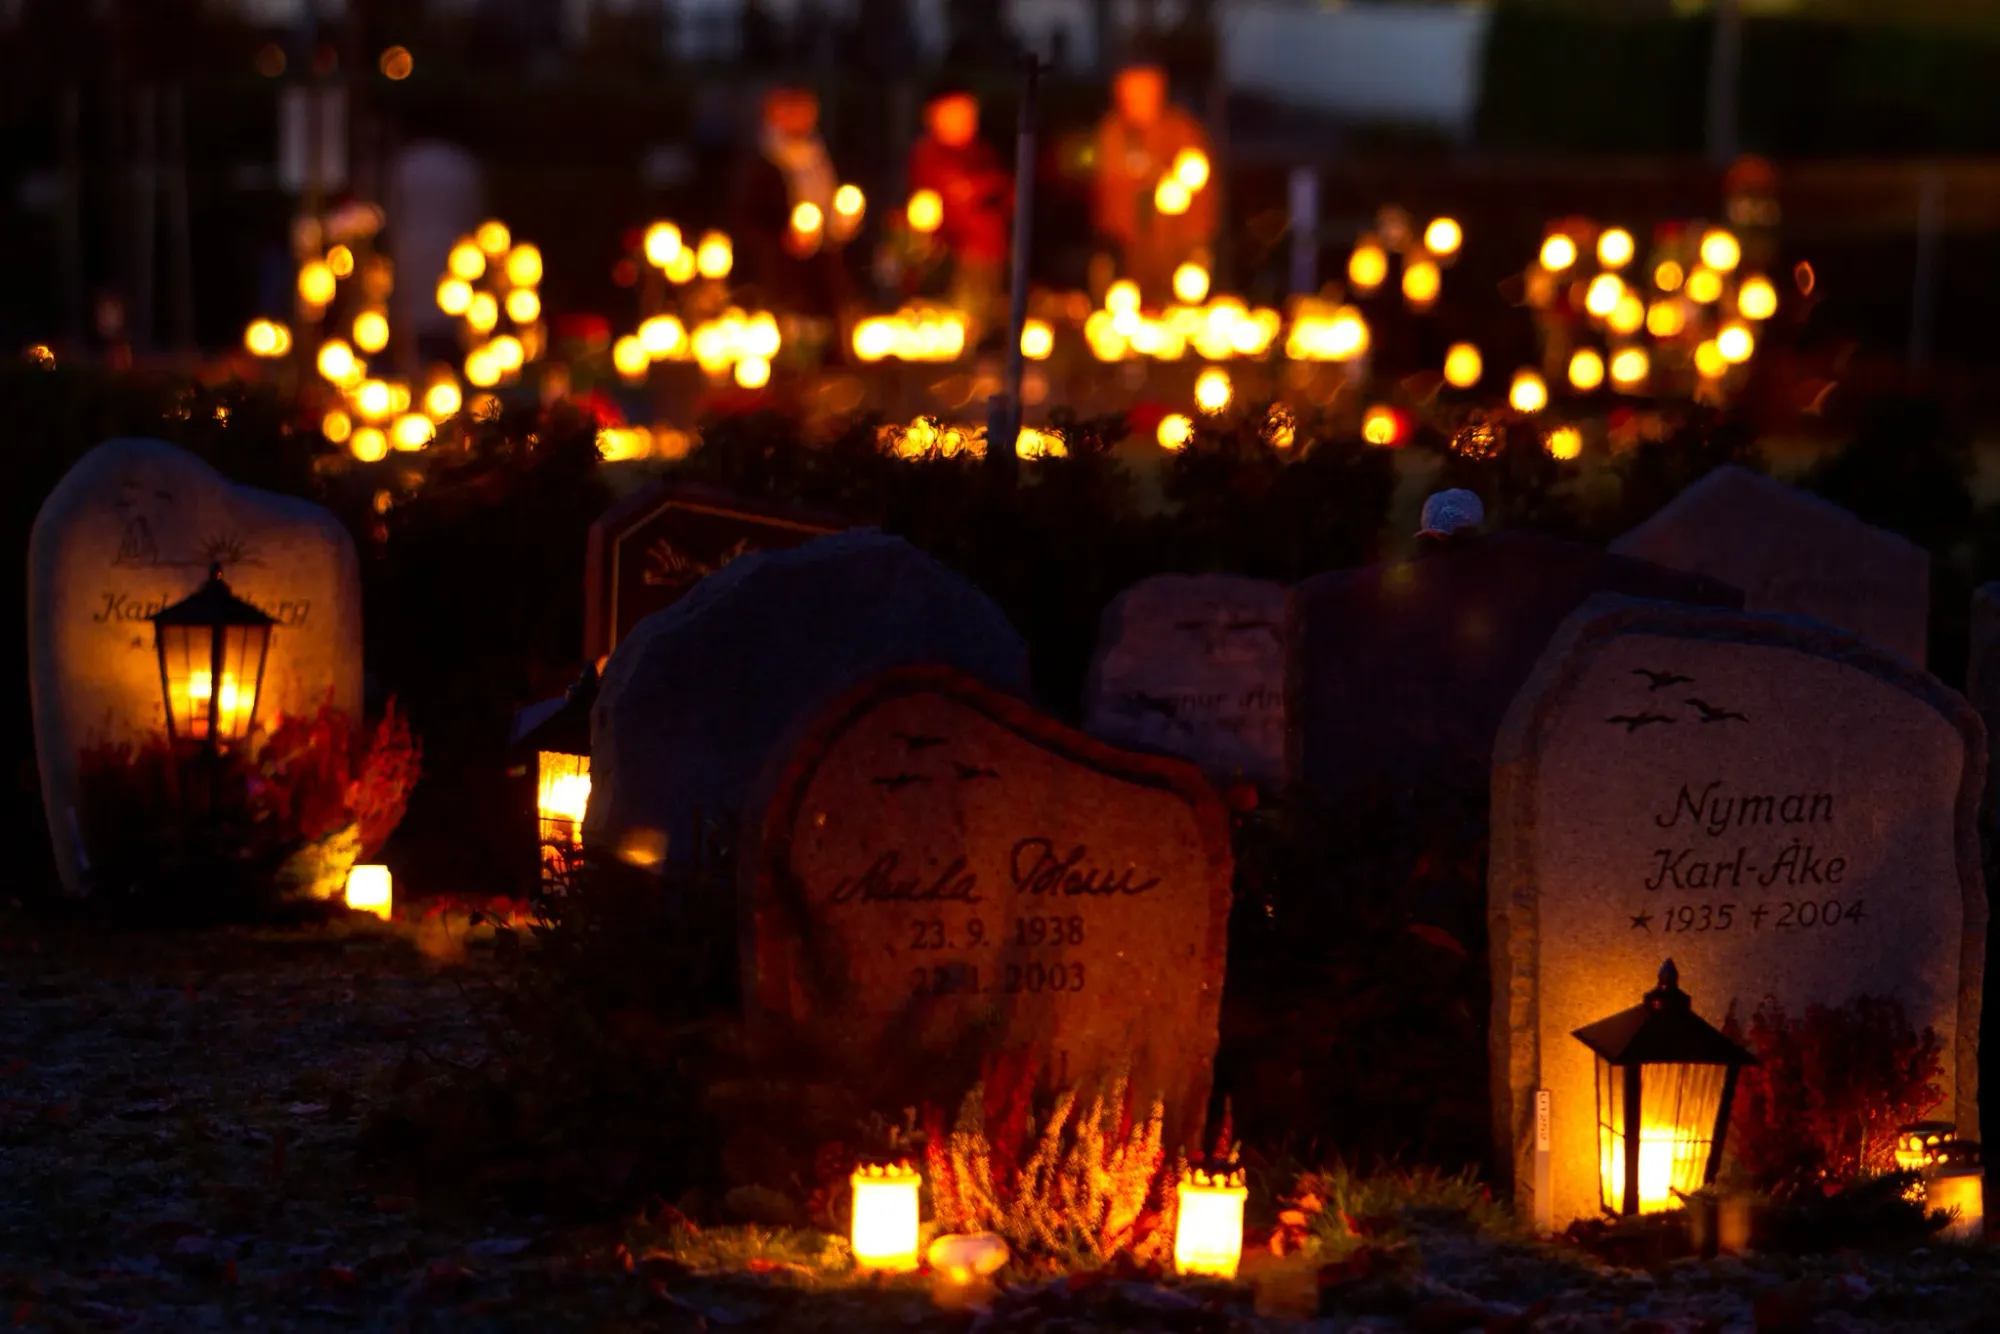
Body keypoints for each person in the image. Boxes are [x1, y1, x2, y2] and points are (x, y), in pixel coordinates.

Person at [1092, 64, 1215, 302]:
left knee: (1178, 295)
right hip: (1125, 239)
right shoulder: (1113, 132)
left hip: (1176, 238)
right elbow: (1108, 184)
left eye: (1140, 92)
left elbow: (1196, 178)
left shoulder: (1181, 131)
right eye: (1126, 93)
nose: (1131, 100)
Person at [733, 86, 852, 322]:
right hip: (781, 271)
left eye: (803, 111)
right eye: (788, 111)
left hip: (826, 263)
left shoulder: (823, 155)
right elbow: (747, 219)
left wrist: (843, 222)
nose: (797, 119)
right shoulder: (762, 163)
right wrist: (783, 239)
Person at [907, 88, 1012, 343]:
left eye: (968, 113)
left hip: (991, 257)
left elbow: (1007, 194)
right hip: (952, 262)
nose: (964, 120)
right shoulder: (928, 158)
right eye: (955, 113)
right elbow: (930, 209)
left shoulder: (984, 154)